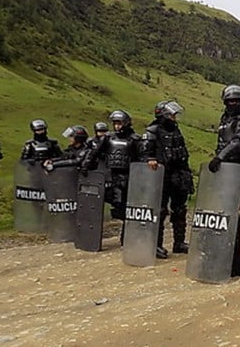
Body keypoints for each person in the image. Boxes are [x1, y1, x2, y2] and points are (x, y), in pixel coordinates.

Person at [208, 85, 240, 277]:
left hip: (239, 171)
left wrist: (220, 157)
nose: (233, 104)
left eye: (237, 101)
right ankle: (227, 256)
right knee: (222, 214)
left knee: (231, 214)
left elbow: (237, 142)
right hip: (225, 172)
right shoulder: (224, 121)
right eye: (230, 101)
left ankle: (237, 261)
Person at [143, 100, 195, 259]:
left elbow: (182, 153)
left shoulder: (176, 130)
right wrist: (150, 159)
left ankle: (179, 243)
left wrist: (187, 175)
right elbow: (144, 151)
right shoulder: (152, 130)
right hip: (162, 176)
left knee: (180, 209)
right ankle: (156, 244)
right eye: (172, 115)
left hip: (178, 174)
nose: (174, 117)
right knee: (160, 210)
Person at [82, 110, 141, 239]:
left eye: (119, 123)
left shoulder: (135, 139)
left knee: (129, 207)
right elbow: (94, 152)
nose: (117, 126)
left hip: (130, 176)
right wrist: (86, 166)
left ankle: (127, 235)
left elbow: (141, 158)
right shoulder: (108, 138)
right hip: (112, 176)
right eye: (115, 123)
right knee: (114, 203)